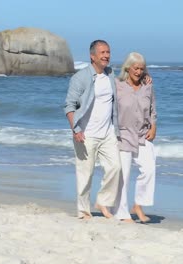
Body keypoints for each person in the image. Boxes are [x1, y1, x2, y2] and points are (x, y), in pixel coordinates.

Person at [64, 40, 122, 220]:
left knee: (115, 168)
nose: (106, 56)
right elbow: (69, 106)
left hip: (108, 133)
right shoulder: (80, 78)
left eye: (108, 52)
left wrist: (145, 78)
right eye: (103, 52)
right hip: (86, 134)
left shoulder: (111, 74)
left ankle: (103, 202)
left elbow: (128, 83)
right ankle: (83, 211)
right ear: (92, 56)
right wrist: (76, 129)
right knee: (85, 174)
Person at [112, 52, 157, 223]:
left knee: (149, 169)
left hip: (143, 133)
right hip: (123, 134)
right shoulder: (117, 85)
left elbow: (153, 108)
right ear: (127, 68)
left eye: (141, 69)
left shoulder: (148, 86)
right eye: (135, 68)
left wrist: (154, 126)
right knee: (124, 174)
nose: (138, 72)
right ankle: (122, 213)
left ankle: (138, 204)